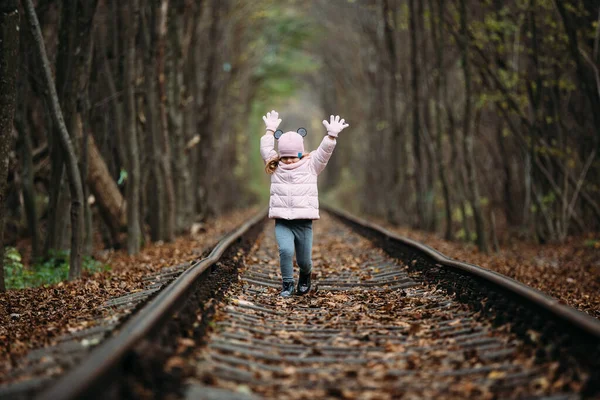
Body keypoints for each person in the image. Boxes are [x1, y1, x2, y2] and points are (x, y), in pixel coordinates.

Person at [259, 110, 349, 297]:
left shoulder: (311, 165)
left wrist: (331, 136)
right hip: (283, 220)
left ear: (301, 153)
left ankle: (305, 275)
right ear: (280, 156)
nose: (289, 160)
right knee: (285, 250)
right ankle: (287, 284)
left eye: (293, 156)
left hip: (304, 222)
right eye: (285, 156)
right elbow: (266, 150)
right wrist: (269, 131)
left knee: (304, 261)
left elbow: (324, 153)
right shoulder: (276, 167)